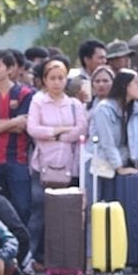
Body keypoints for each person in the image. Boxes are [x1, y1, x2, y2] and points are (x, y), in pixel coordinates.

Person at [26, 59, 89, 264]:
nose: (56, 82)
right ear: (44, 80)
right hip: (42, 166)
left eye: (60, 78)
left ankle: (66, 257)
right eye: (52, 78)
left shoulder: (74, 104)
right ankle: (31, 257)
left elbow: (81, 128)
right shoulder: (38, 101)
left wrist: (58, 136)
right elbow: (33, 128)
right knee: (39, 211)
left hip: (68, 166)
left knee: (67, 211)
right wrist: (58, 131)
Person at [0, 50, 34, 231]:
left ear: (10, 69)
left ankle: (21, 252)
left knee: (22, 207)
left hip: (17, 159)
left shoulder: (25, 94)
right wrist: (13, 122)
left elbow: (23, 126)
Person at [88, 68, 138, 201]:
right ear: (126, 86)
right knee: (98, 209)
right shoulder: (104, 109)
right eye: (137, 84)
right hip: (99, 165)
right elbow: (107, 142)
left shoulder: (136, 109)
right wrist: (119, 168)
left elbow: (136, 141)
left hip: (121, 164)